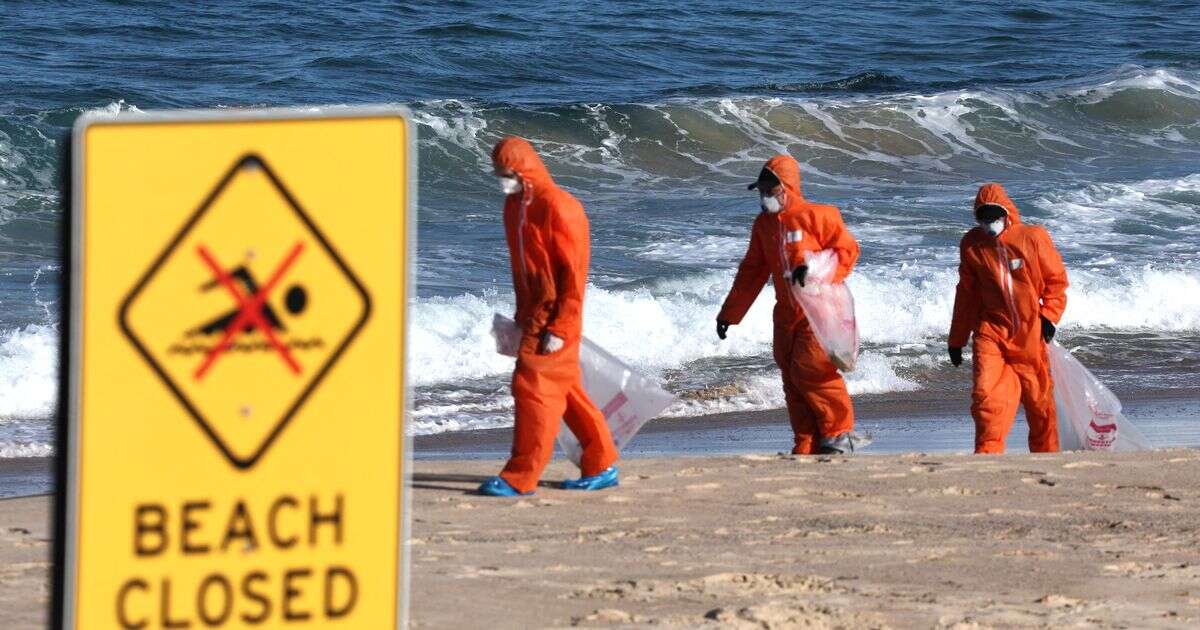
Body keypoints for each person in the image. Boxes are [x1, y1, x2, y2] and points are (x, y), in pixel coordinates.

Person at [478, 136, 620, 497]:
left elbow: (574, 273)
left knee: (533, 389)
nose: (502, 179)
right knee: (566, 391)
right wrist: (519, 318)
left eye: (506, 172)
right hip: (533, 316)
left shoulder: (559, 207)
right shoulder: (514, 207)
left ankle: (519, 476)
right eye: (498, 173)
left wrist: (562, 324)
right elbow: (523, 269)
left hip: (557, 317)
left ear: (523, 170)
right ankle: (601, 463)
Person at [716, 154, 860, 455]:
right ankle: (807, 441)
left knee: (811, 369)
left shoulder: (818, 215)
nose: (765, 195)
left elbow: (847, 251)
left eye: (771, 189)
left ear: (788, 187)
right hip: (786, 313)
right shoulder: (763, 226)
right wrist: (730, 314)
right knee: (790, 376)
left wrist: (813, 268)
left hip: (818, 310)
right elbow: (752, 271)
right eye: (762, 190)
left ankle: (838, 433)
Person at [948, 183, 1069, 454]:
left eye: (994, 217)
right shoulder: (972, 245)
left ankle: (1046, 457)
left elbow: (1056, 282)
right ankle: (987, 454)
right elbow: (966, 295)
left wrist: (1049, 316)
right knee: (986, 396)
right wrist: (957, 339)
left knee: (1040, 404)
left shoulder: (1032, 238)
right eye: (983, 218)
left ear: (1006, 214)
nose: (989, 224)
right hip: (991, 332)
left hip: (1030, 332)